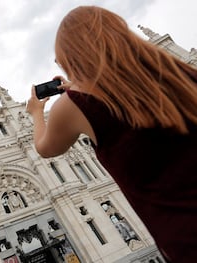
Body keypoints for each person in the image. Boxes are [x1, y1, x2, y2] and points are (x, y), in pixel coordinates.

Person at [26, 6, 197, 263]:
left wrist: (36, 112)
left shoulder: (76, 105)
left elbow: (44, 147)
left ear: (72, 56)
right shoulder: (176, 71)